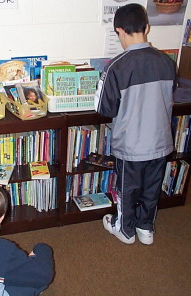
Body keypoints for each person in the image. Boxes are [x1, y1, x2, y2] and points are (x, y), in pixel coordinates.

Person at [94, 4, 177, 245]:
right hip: (161, 141)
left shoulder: (116, 66)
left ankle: (125, 230)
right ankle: (145, 229)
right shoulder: (167, 62)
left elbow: (104, 109)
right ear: (147, 27)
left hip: (132, 146)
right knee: (152, 187)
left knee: (127, 190)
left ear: (119, 30)